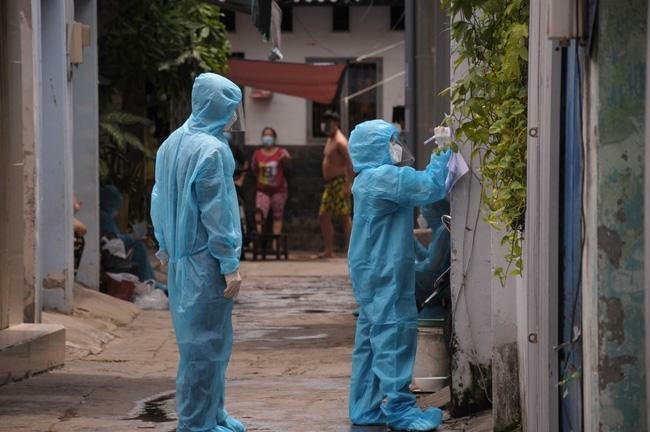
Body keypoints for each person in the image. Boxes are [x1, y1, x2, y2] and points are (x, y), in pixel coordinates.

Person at [150, 72, 246, 432]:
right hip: (206, 261)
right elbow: (217, 212)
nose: (234, 116)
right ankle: (196, 423)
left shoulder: (170, 143)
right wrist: (229, 262)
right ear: (217, 105)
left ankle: (213, 414)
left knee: (205, 344)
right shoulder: (212, 150)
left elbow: (158, 199)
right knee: (204, 348)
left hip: (180, 259)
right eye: (231, 107)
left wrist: (164, 242)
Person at [347, 119, 451, 431]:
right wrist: (444, 150)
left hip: (371, 271)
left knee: (371, 339)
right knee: (393, 334)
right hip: (385, 273)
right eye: (392, 141)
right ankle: (400, 410)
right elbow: (430, 186)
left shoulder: (366, 179)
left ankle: (365, 407)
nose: (397, 147)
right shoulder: (384, 178)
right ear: (376, 146)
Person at [100, 185, 155, 283]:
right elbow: (113, 237)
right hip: (110, 252)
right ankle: (147, 280)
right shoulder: (104, 217)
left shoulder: (105, 215)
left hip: (111, 248)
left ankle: (149, 279)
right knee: (139, 248)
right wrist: (131, 237)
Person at [318, 110, 353, 258]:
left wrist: (348, 185)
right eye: (325, 122)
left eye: (329, 122)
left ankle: (350, 251)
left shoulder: (340, 141)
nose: (326, 125)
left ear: (336, 123)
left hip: (340, 182)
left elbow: (350, 163)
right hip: (330, 185)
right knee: (323, 216)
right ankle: (329, 250)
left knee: (344, 217)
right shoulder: (330, 139)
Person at [251, 126, 291, 236]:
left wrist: (285, 159)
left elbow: (288, 161)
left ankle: (275, 243)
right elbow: (254, 169)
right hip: (262, 190)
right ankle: (259, 241)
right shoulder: (257, 154)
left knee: (277, 217)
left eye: (270, 135)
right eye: (265, 135)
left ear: (274, 138)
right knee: (259, 216)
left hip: (279, 190)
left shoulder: (281, 152)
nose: (267, 137)